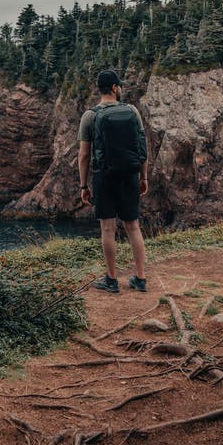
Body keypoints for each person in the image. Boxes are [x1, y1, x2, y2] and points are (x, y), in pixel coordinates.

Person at [78, 69, 149, 293]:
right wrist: (143, 176)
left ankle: (111, 280)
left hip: (104, 176)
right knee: (133, 226)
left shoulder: (90, 115)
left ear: (99, 89)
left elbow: (84, 156)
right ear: (116, 88)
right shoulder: (132, 111)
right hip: (129, 175)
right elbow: (142, 148)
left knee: (108, 229)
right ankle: (140, 278)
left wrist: (83, 186)